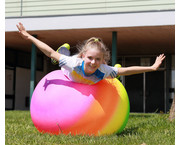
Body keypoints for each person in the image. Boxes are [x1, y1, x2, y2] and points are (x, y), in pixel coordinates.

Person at [16, 22, 166, 85]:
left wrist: (152, 68)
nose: (93, 62)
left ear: (102, 60)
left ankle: (112, 70)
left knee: (115, 71)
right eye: (90, 58)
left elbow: (126, 70)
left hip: (102, 70)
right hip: (67, 71)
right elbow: (48, 52)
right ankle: (62, 53)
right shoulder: (73, 63)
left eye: (97, 59)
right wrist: (28, 36)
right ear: (83, 56)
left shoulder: (102, 69)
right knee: (58, 57)